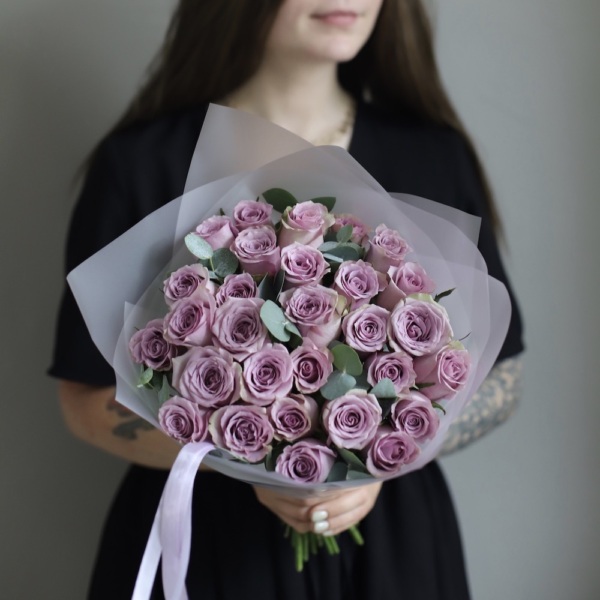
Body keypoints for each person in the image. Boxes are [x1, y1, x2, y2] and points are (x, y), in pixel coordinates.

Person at [50, 1, 524, 598]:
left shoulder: (433, 153)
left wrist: (385, 458)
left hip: (393, 545)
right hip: (206, 544)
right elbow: (83, 398)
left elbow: (503, 378)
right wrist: (248, 457)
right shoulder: (142, 161)